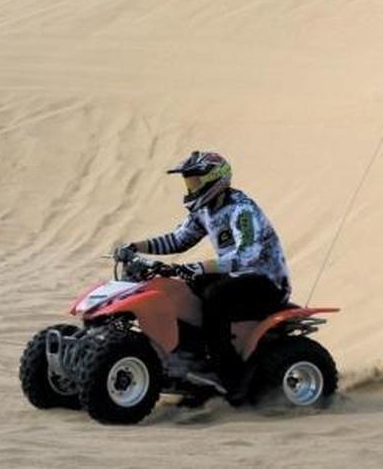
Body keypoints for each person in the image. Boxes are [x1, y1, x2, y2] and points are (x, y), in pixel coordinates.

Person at [114, 151, 290, 394]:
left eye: (195, 181)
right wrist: (136, 247)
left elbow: (246, 256)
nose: (190, 187)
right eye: (188, 182)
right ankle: (189, 355)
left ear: (215, 179)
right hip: (236, 277)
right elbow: (178, 240)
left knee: (215, 299)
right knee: (184, 291)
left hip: (265, 281)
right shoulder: (204, 210)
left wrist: (194, 267)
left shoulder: (242, 210)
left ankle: (230, 376)